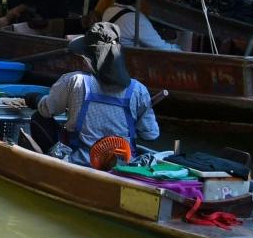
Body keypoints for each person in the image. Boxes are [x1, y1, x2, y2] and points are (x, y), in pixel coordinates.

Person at [34, 22, 160, 164]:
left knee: (38, 118)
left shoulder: (75, 80)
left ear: (90, 58)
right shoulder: (138, 90)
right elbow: (151, 135)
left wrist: (34, 98)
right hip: (123, 165)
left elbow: (46, 110)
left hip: (79, 161)